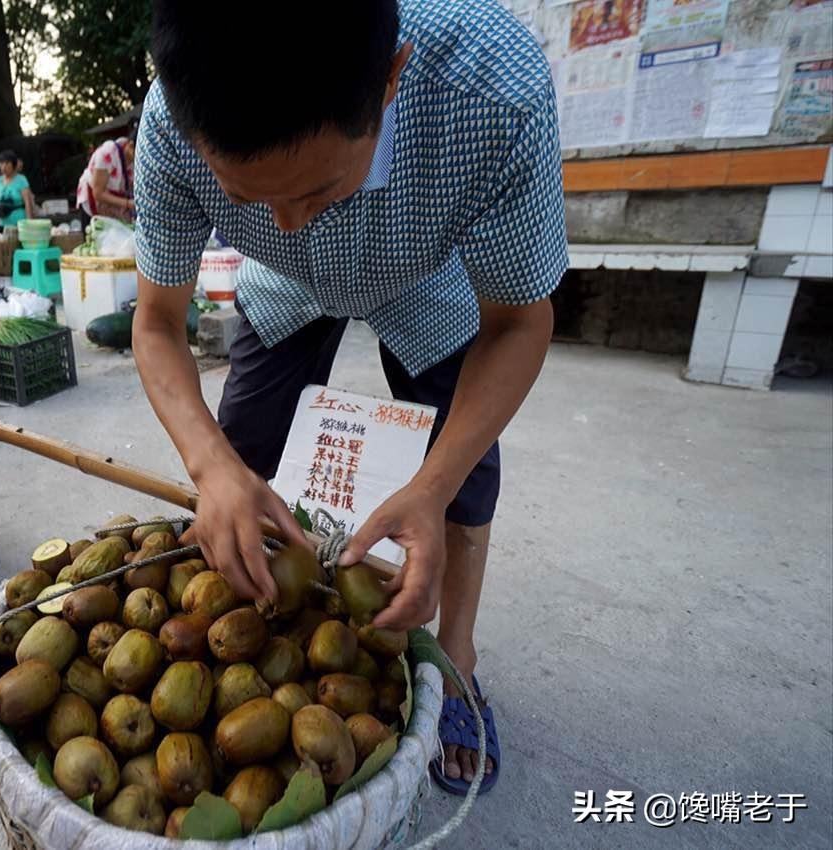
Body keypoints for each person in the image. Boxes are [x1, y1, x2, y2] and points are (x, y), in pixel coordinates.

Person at [133, 0, 567, 794]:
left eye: (319, 188)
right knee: (241, 459)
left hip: (429, 277)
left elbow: (518, 322)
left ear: (392, 80)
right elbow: (158, 322)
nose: (292, 222)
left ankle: (459, 664)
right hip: (283, 290)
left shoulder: (492, 93)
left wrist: (430, 487)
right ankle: (274, 622)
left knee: (463, 481)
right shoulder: (172, 123)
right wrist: (210, 465)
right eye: (251, 196)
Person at [76, 135, 135, 222]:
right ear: (130, 145)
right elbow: (98, 193)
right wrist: (128, 203)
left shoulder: (134, 161)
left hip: (114, 207)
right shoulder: (108, 152)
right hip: (92, 203)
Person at [0, 149, 34, 228]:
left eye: (7, 163)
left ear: (13, 165)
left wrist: (29, 224)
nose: (4, 167)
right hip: (3, 223)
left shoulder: (21, 180)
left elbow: (28, 203)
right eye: (1, 163)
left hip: (19, 223)